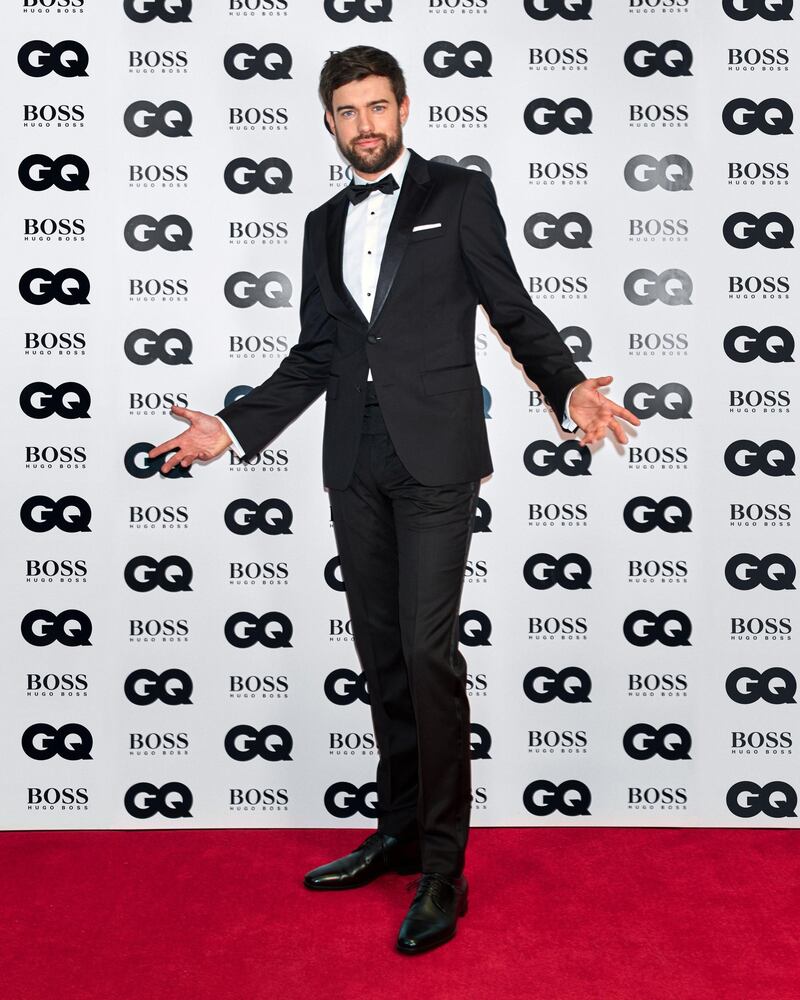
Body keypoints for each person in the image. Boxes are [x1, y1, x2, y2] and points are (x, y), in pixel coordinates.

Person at [149, 45, 640, 955]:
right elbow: (318, 352)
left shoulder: (456, 195)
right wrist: (233, 425)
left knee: (426, 650)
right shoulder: (321, 221)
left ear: (405, 109)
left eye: (379, 107)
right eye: (348, 111)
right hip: (355, 458)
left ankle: (446, 871)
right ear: (330, 122)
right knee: (382, 658)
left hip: (437, 457)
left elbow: (513, 306)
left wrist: (566, 386)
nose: (365, 124)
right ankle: (402, 829)